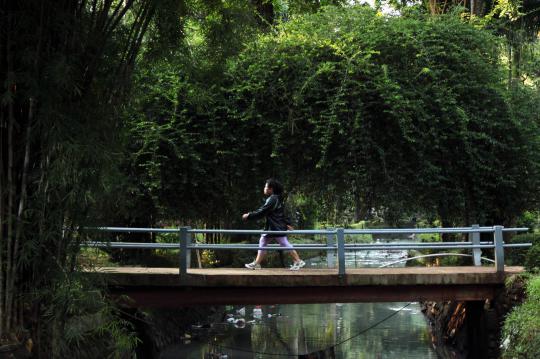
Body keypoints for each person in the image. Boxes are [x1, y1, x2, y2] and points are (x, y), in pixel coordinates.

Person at [242, 178, 306, 271]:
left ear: (270, 189)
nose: (264, 188)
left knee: (283, 243)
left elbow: (262, 211)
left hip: (275, 227)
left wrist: (249, 216)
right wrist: (287, 223)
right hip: (272, 227)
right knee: (263, 241)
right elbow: (281, 213)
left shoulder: (273, 199)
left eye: (265, 186)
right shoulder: (277, 198)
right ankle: (257, 263)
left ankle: (298, 260)